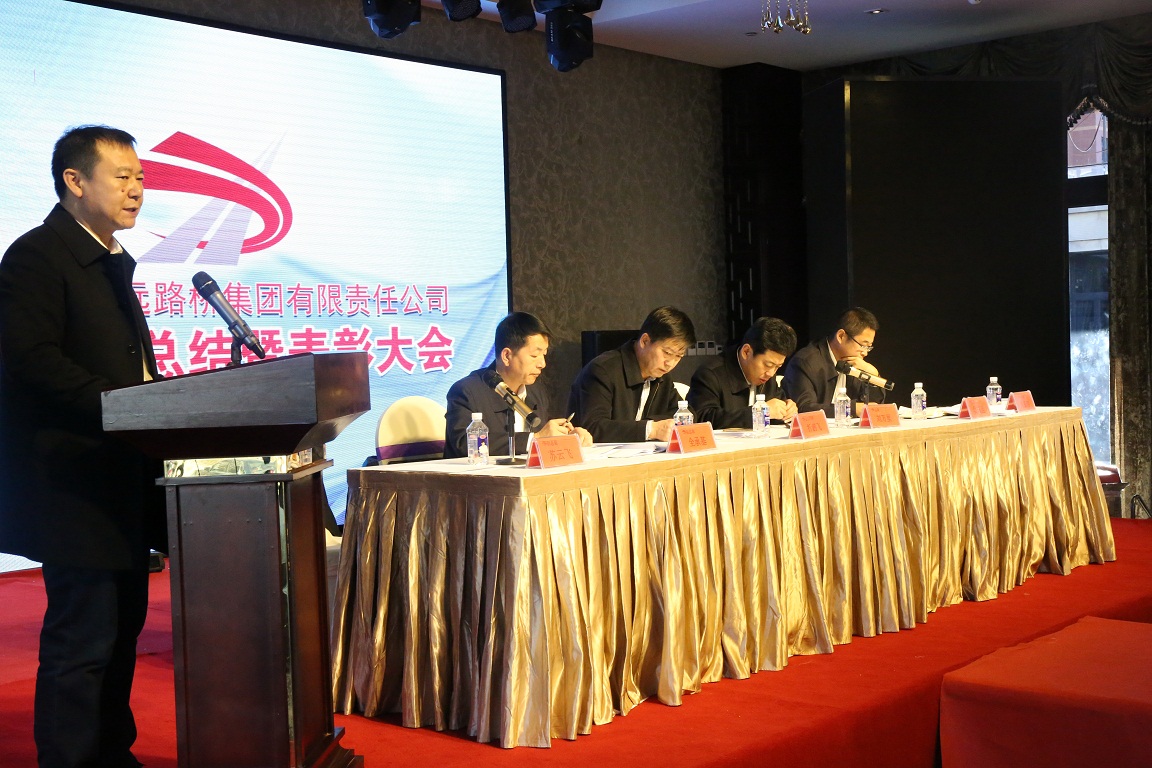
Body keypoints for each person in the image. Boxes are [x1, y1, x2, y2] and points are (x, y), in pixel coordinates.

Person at [0, 125, 164, 768]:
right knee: (84, 639)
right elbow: (30, 361)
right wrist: (124, 405)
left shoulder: (112, 259)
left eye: (140, 177)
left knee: (121, 634)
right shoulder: (37, 256)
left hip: (121, 478)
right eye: (122, 177)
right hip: (73, 486)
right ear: (74, 181)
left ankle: (111, 753)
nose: (137, 190)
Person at [444, 311, 590, 459]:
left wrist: (567, 437)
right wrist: (535, 439)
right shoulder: (467, 391)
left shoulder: (535, 390)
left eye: (544, 355)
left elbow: (543, 437)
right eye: (534, 355)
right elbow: (464, 444)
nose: (542, 364)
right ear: (507, 356)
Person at [568, 306, 696, 443]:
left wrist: (651, 425)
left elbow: (686, 413)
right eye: (667, 353)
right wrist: (650, 429)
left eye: (678, 356)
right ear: (644, 341)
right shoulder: (602, 370)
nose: (670, 363)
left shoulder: (661, 377)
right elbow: (593, 427)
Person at [688, 316, 798, 429]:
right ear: (746, 352)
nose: (771, 373)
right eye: (768, 365)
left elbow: (776, 408)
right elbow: (702, 418)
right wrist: (758, 413)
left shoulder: (768, 376)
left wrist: (787, 410)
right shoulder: (710, 374)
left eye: (777, 367)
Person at [783, 306, 886, 416]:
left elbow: (875, 404)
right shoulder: (805, 362)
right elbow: (804, 408)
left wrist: (872, 372)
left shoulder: (857, 363)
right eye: (863, 345)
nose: (865, 353)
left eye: (869, 347)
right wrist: (851, 408)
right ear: (841, 336)